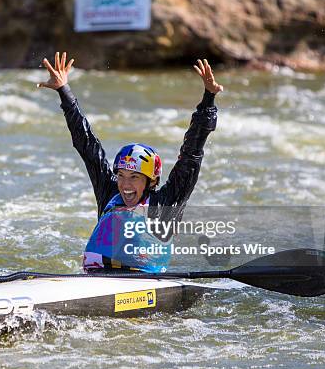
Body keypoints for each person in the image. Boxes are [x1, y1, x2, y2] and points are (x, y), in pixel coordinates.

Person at [38, 52, 222, 273]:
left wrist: (209, 98)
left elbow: (192, 152)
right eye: (122, 176)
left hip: (144, 285)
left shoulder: (165, 204)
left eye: (134, 177)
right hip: (95, 279)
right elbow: (86, 144)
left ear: (150, 181)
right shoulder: (108, 193)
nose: (125, 184)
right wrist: (64, 90)